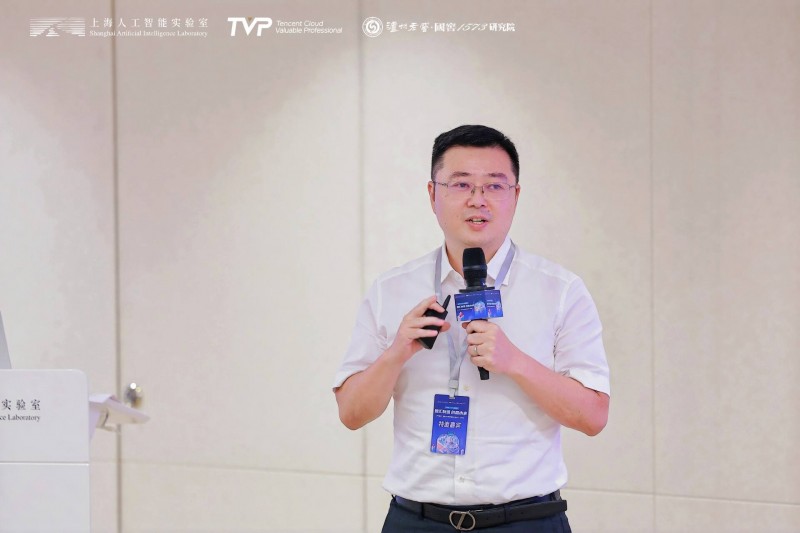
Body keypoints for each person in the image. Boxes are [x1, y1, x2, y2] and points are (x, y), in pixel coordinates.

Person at [333, 125, 610, 532]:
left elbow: (593, 416)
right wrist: (396, 353)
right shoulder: (391, 290)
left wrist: (515, 362)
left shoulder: (561, 291)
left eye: (494, 186)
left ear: (516, 195)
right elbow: (351, 413)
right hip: (417, 521)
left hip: (526, 521)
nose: (478, 199)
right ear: (432, 195)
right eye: (461, 184)